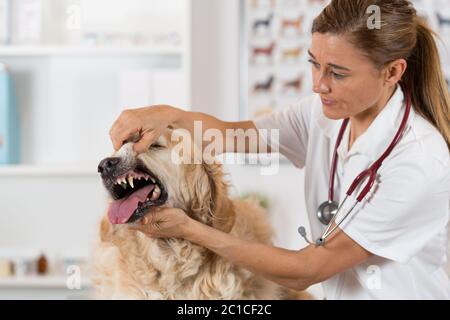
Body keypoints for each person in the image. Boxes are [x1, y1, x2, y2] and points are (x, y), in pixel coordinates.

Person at [108, 0, 450, 299]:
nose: (318, 84)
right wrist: (169, 115)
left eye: (338, 73)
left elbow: (307, 269)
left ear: (392, 72)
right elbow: (233, 137)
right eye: (314, 63)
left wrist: (190, 230)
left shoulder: (418, 160)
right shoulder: (323, 114)